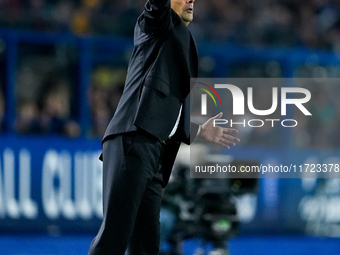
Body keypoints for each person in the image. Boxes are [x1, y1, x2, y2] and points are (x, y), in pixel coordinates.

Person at [88, 0, 240, 254]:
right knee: (114, 239)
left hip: (154, 151)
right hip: (133, 141)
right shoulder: (158, 23)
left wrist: (200, 130)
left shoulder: (181, 37)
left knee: (146, 244)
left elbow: (166, 110)